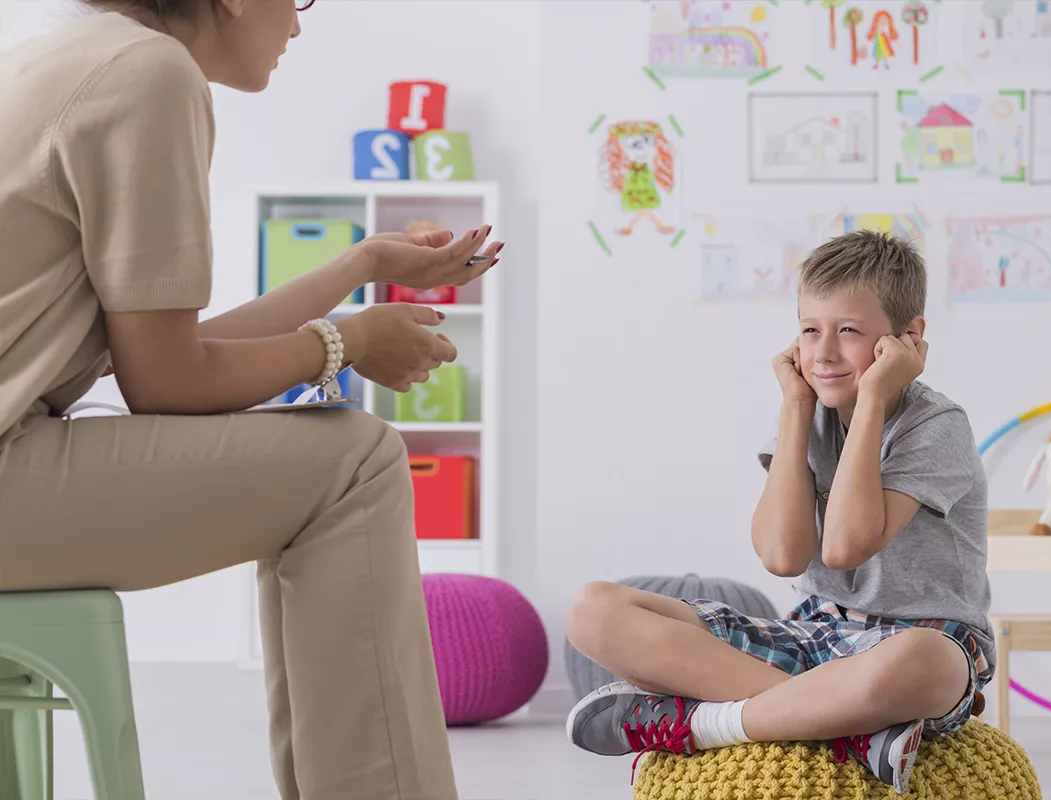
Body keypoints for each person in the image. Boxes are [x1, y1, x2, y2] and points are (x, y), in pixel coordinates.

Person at [0, 2, 501, 799]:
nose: (299, 26)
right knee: (355, 462)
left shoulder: (64, 56)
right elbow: (166, 386)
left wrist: (361, 266)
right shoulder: (149, 71)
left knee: (335, 462)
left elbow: (164, 356)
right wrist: (354, 342)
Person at [564, 230, 993, 795]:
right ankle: (843, 728)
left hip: (918, 639)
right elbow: (781, 556)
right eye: (810, 330)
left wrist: (870, 401)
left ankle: (703, 725)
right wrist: (795, 405)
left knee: (928, 662)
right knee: (593, 610)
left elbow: (844, 546)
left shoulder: (936, 424)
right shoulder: (807, 407)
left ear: (908, 338)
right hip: (814, 634)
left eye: (849, 331)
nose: (823, 352)